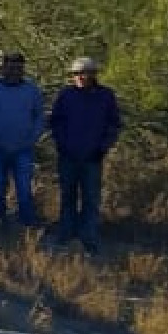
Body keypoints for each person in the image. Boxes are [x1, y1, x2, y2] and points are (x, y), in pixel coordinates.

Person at [49, 56, 122, 252]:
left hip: (93, 157)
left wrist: (103, 147)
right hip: (68, 156)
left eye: (83, 72)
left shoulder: (106, 96)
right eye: (75, 73)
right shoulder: (65, 95)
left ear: (93, 74)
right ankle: (66, 234)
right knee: (68, 197)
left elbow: (114, 124)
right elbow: (55, 122)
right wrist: (61, 144)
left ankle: (89, 237)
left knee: (91, 199)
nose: (80, 77)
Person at [0, 53, 46, 228]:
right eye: (11, 66)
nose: (15, 71)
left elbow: (39, 116)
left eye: (18, 67)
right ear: (3, 67)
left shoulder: (31, 90)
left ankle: (27, 225)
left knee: (24, 189)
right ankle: (0, 223)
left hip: (23, 148)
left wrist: (33, 137)